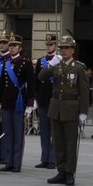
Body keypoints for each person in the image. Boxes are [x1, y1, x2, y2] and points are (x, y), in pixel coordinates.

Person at [38, 33, 90, 186]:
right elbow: (41, 77)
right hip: (56, 108)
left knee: (70, 143)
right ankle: (60, 171)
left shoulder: (79, 68)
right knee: (58, 142)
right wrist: (50, 64)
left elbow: (85, 92)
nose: (64, 51)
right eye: (61, 48)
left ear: (73, 50)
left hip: (71, 108)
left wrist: (83, 112)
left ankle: (70, 172)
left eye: (67, 48)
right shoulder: (56, 65)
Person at [0, 33, 33, 173]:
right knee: (8, 133)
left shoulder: (25, 63)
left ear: (20, 47)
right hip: (6, 101)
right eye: (10, 45)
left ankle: (16, 163)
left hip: (19, 101)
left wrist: (30, 103)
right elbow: (1, 84)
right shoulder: (6, 63)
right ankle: (8, 161)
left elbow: (31, 84)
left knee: (18, 134)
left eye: (14, 46)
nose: (11, 48)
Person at [33, 33, 60, 169]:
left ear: (55, 45)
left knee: (54, 131)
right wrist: (35, 97)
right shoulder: (41, 61)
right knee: (44, 130)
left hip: (55, 100)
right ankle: (45, 157)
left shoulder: (60, 60)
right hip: (43, 100)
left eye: (51, 45)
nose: (48, 47)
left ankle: (52, 158)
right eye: (47, 45)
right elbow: (37, 80)